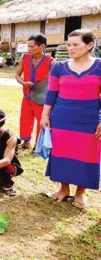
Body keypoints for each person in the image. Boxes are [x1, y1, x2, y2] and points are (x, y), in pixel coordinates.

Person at [40, 29, 101, 208]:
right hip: (61, 118)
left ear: (89, 45)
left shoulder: (99, 66)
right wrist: (45, 115)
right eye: (68, 44)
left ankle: (80, 193)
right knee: (61, 153)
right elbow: (51, 94)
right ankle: (64, 189)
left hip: (89, 120)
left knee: (86, 154)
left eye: (75, 44)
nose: (70, 48)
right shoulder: (59, 67)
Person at [15, 34, 57, 150]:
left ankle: (38, 146)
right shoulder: (24, 58)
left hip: (41, 98)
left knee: (41, 121)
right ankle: (26, 142)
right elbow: (17, 75)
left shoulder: (51, 62)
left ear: (42, 46)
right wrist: (23, 83)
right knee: (25, 119)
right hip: (27, 95)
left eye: (31, 46)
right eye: (28, 46)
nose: (29, 49)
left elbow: (55, 82)